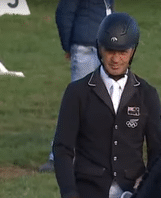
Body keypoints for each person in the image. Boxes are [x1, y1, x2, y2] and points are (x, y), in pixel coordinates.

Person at [52, 12, 161, 198]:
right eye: (110, 51)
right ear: (100, 49)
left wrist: (146, 180)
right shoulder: (77, 93)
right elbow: (62, 148)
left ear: (133, 51)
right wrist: (70, 195)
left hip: (134, 193)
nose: (116, 59)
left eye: (123, 52)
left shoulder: (147, 94)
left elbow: (158, 150)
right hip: (88, 195)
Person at [38, 0, 113, 173]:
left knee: (82, 103)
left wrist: (68, 45)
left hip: (93, 44)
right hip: (97, 44)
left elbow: (64, 13)